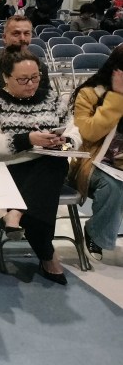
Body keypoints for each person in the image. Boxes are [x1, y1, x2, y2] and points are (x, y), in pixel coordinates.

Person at [0, 47, 80, 285]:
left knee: (53, 162)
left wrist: (67, 140)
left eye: (35, 78)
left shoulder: (52, 98)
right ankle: (47, 255)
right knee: (48, 178)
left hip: (49, 161)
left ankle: (17, 212)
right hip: (9, 167)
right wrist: (28, 139)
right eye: (23, 79)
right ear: (6, 77)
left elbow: (73, 127)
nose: (31, 84)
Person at [69, 46, 123, 261]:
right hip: (93, 161)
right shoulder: (89, 93)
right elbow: (89, 132)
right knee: (114, 186)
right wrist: (116, 97)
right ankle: (95, 233)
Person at [0, 15, 51, 97]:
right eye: (16, 34)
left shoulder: (40, 67)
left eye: (27, 33)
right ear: (4, 37)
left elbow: (47, 97)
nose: (22, 38)